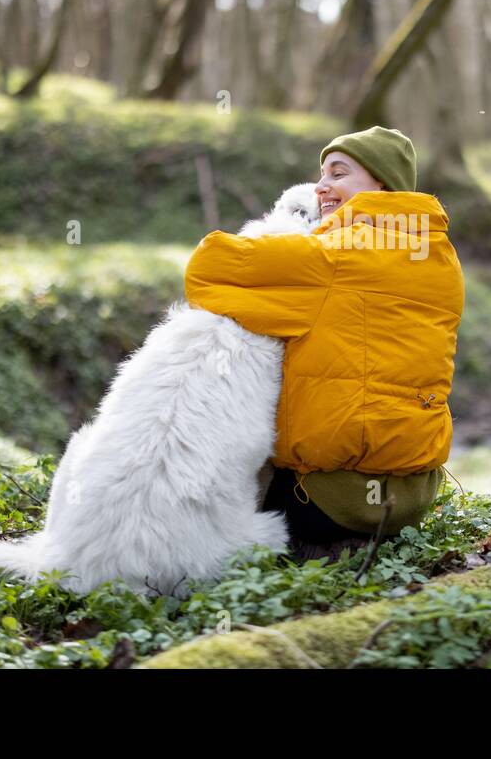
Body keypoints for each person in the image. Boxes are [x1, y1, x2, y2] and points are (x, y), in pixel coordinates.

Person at [183, 125, 466, 563]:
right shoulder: (439, 254)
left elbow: (208, 269)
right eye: (322, 174)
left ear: (380, 183)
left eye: (338, 173)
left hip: (333, 503)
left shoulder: (336, 253)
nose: (321, 186)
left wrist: (289, 239)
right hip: (413, 495)